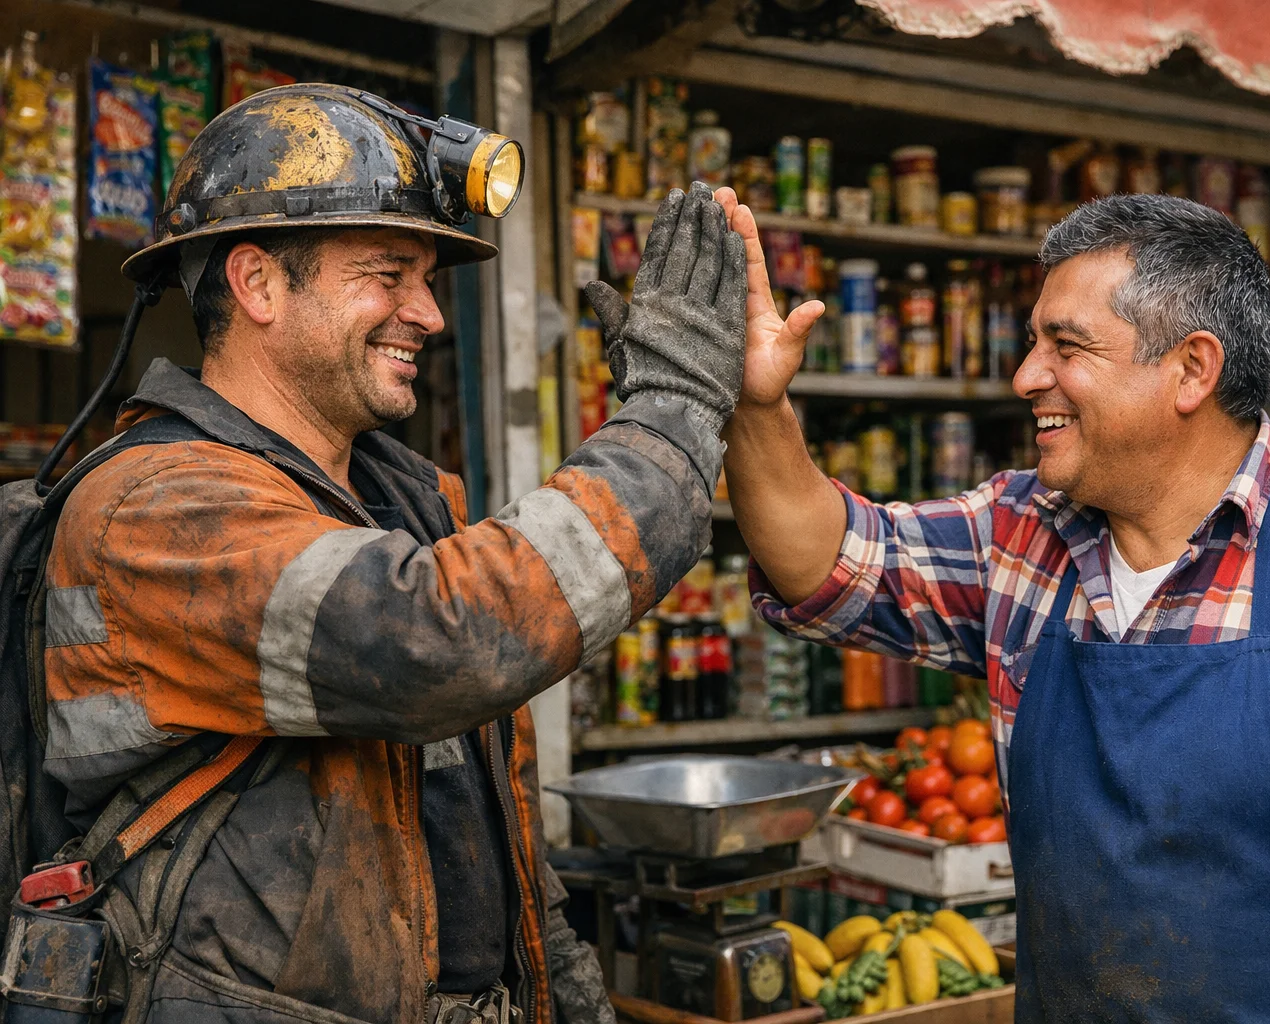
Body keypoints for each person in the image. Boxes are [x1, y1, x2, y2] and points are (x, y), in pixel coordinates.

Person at [713, 189, 1270, 1020]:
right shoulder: (1018, 537)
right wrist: (756, 404)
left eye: (1065, 346)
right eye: (1034, 343)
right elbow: (824, 561)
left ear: (1192, 369)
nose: (1026, 376)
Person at [42, 84, 745, 1024]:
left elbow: (489, 824)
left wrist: (563, 992)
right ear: (256, 284)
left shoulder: (405, 504)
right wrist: (672, 416)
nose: (429, 314)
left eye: (428, 280)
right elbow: (442, 644)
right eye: (387, 274)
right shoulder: (153, 509)